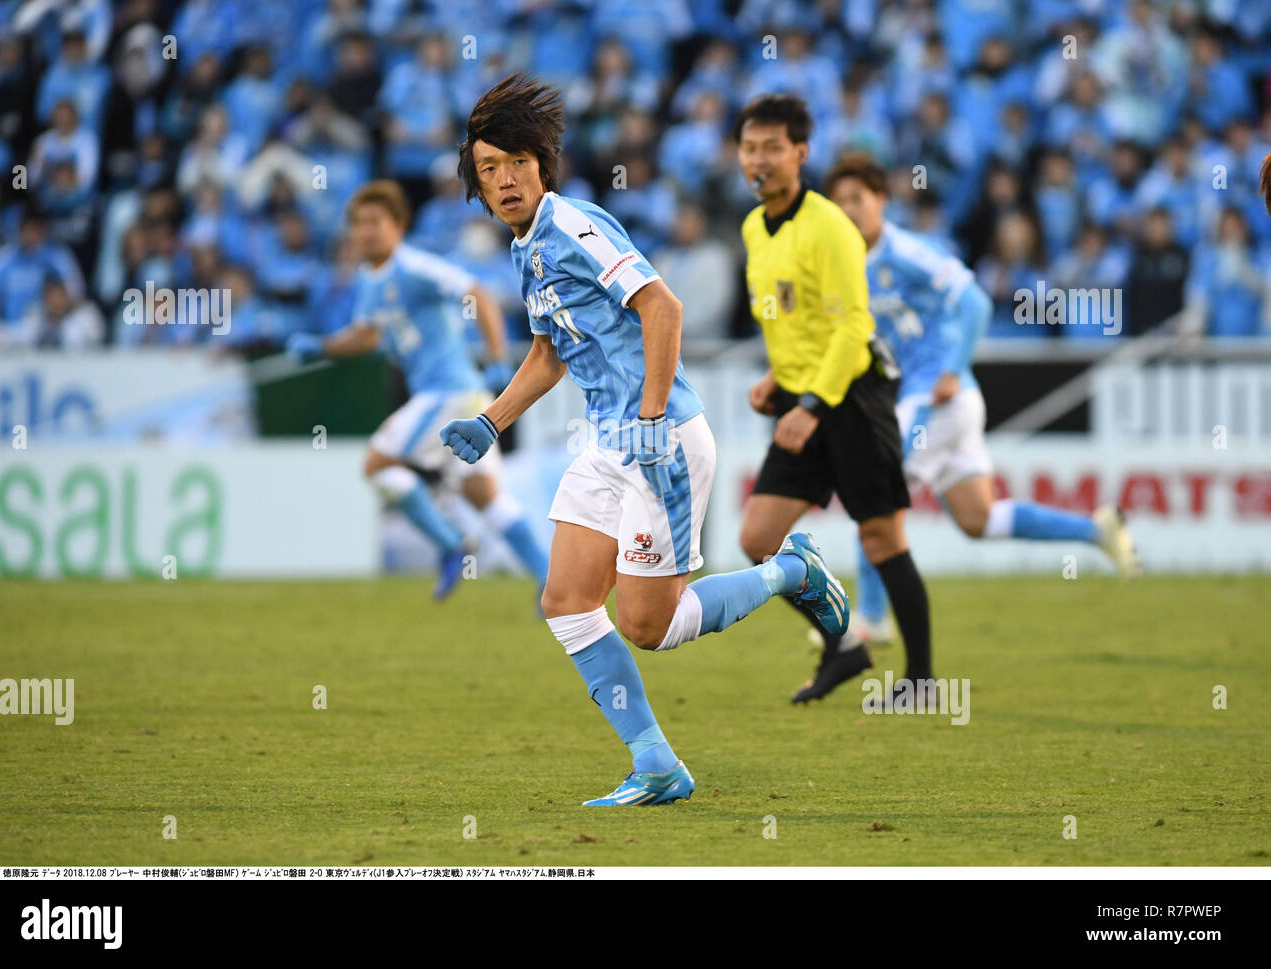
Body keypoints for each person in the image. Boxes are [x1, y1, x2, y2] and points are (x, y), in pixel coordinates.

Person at [440, 74, 849, 806]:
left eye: (516, 164)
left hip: (664, 438)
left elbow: (663, 306)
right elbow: (549, 352)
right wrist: (492, 419)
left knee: (647, 627)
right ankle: (656, 762)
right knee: (565, 599)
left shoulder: (572, 225)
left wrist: (653, 417)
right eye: (488, 169)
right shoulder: (525, 248)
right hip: (604, 441)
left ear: (542, 163)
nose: (504, 180)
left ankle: (793, 572)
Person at [826, 155, 1141, 668]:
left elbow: (973, 301)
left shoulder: (906, 251)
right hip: (936, 402)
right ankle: (1096, 530)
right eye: (838, 202)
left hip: (938, 397)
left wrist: (952, 368)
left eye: (857, 199)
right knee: (979, 519)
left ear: (881, 200)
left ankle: (872, 616)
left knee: (875, 487)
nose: (848, 210)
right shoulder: (846, 263)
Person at [733, 93, 932, 707]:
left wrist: (811, 404)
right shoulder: (752, 228)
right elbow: (789, 316)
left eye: (772, 148)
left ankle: (922, 681)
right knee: (758, 538)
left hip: (851, 396)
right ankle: (843, 647)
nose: (758, 160)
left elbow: (851, 329)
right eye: (749, 148)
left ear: (801, 153)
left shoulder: (829, 227)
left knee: (881, 537)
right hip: (802, 394)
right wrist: (777, 376)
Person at [287, 180, 548, 600]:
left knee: (376, 464)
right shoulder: (369, 278)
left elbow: (477, 294)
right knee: (482, 493)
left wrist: (498, 357)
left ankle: (450, 545)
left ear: (399, 226)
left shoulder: (414, 267)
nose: (366, 231)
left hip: (448, 392)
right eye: (359, 224)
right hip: (460, 395)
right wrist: (323, 347)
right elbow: (368, 336)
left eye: (376, 222)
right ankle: (548, 578)